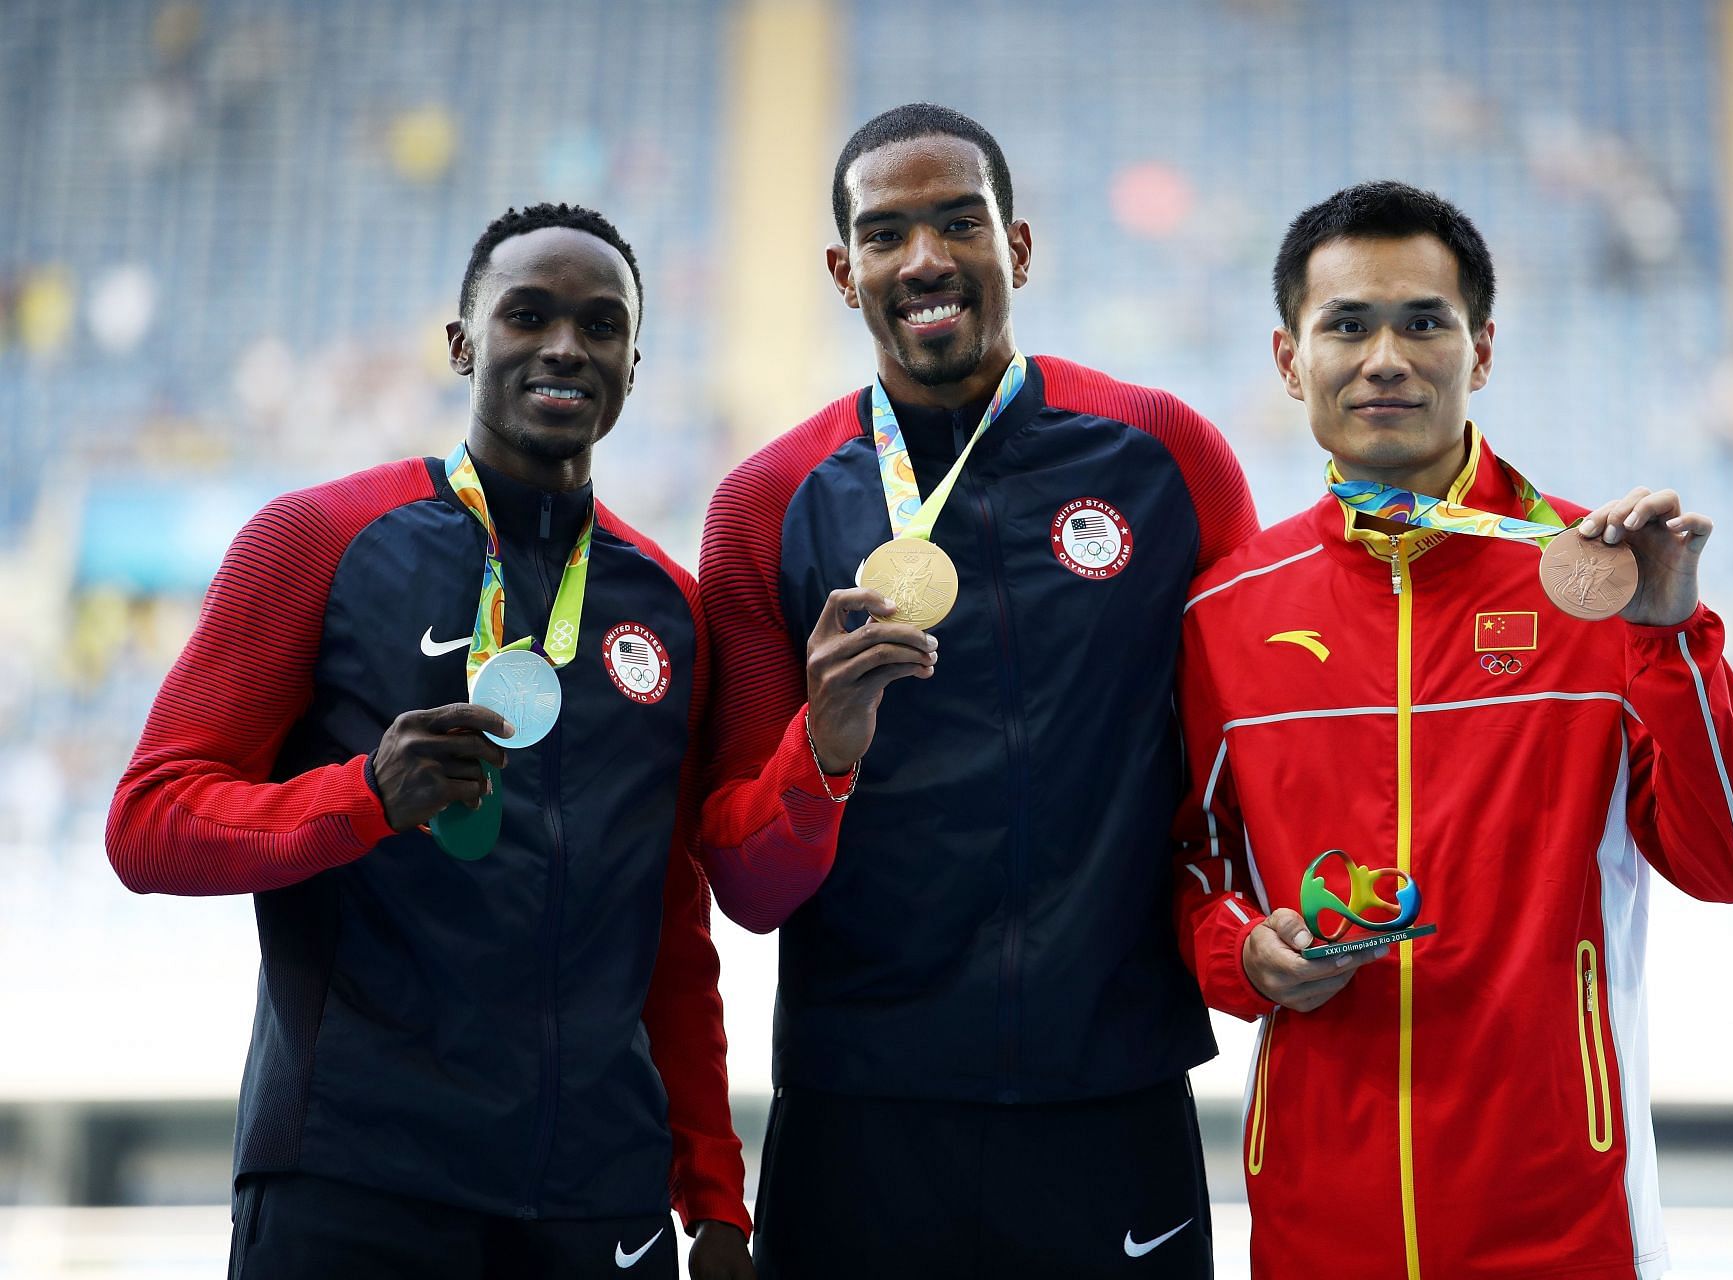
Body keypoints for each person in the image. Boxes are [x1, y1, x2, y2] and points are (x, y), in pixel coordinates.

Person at [106, 203, 754, 1279]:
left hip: (594, 1198)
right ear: (461, 341)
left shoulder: (671, 609)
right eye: (528, 314)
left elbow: (671, 936)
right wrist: (363, 795)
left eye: (600, 325)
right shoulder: (318, 538)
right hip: (358, 1181)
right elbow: (150, 822)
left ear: (634, 365)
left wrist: (714, 1194)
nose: (564, 345)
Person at [1175, 180, 1733, 1280]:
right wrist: (1241, 948)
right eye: (1346, 324)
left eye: (1425, 320)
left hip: (1565, 1224)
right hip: (1321, 1227)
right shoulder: (1227, 612)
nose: (1386, 356)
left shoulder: (1603, 582)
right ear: (1287, 357)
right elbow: (1181, 861)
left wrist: (1675, 636)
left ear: (1484, 348)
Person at [696, 103, 1258, 1278]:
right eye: (888, 234)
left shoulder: (1163, 455)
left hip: (1114, 1092)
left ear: (1022, 248)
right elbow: (744, 882)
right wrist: (825, 749)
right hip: (863, 1109)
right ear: (844, 273)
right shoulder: (767, 503)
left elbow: (1247, 767)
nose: (928, 260)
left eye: (961, 222)